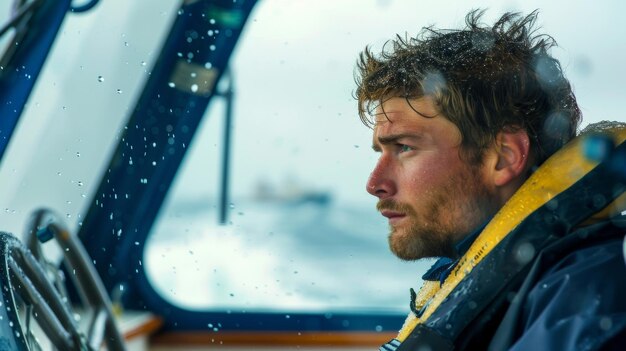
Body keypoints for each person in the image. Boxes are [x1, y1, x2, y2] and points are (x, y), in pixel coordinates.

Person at [355, 9, 626, 350]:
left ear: (504, 157)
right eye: (380, 151)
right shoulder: (516, 283)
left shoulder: (586, 299)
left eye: (405, 147)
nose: (375, 182)